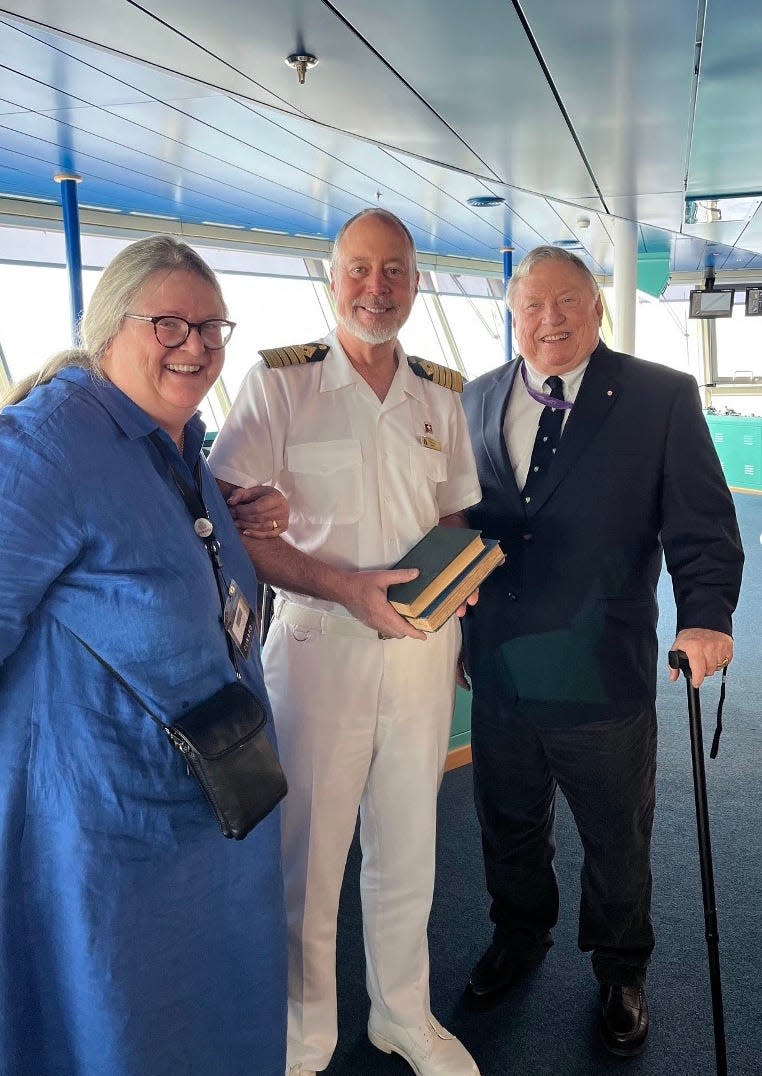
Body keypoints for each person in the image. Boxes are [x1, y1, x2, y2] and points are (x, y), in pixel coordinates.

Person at [0, 235, 291, 1076]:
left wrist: (229, 520)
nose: (195, 346)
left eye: (211, 327)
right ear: (105, 330)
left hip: (202, 808)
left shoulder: (178, 445)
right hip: (100, 833)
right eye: (167, 324)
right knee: (117, 1030)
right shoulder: (40, 447)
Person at [210, 208, 483, 1076]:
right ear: (333, 280)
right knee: (310, 856)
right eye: (360, 269)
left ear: (415, 281)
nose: (378, 287)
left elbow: (453, 513)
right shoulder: (279, 384)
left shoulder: (441, 391)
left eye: (395, 270)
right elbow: (233, 525)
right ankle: (302, 1033)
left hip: (419, 652)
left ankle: (403, 1015)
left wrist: (458, 577)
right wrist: (345, 587)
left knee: (409, 845)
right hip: (319, 650)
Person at [459, 245, 744, 1057]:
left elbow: (702, 526)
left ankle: (621, 969)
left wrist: (706, 617)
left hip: (601, 670)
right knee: (507, 825)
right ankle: (519, 938)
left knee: (615, 835)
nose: (549, 319)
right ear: (511, 313)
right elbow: (459, 524)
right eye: (531, 305)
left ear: (597, 309)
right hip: (503, 669)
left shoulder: (659, 397)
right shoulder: (476, 399)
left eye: (567, 302)